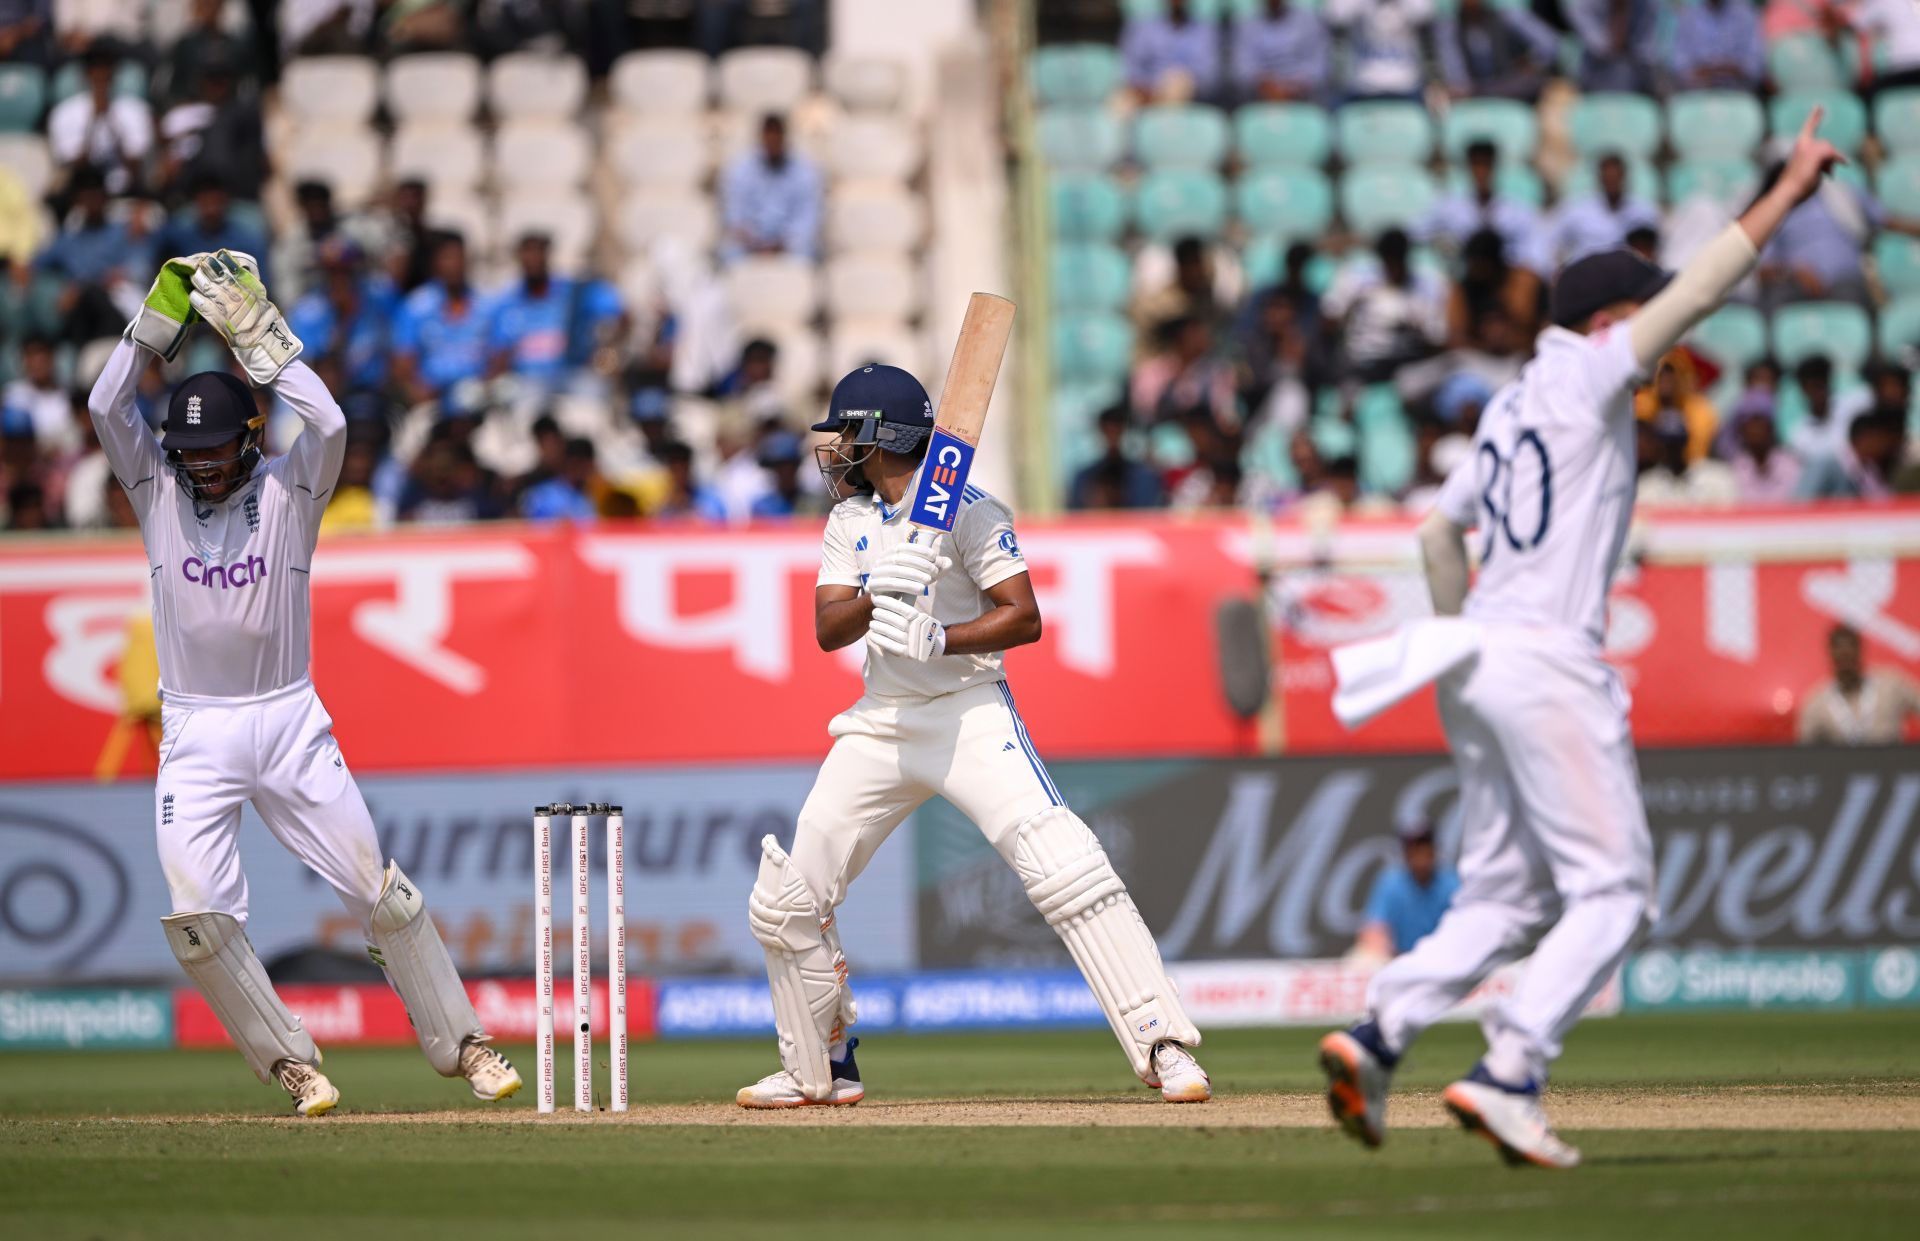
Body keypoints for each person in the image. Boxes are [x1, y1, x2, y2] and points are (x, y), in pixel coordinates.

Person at [1319, 109, 1847, 1168]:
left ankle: (1379, 1030)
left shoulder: (1510, 402)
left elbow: (1435, 530)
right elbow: (1697, 292)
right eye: (1646, 326)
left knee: (1505, 892)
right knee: (1612, 890)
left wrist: (1466, 632)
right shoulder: (1589, 370)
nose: (1665, 352)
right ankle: (1511, 1068)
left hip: (1473, 661)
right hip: (1548, 660)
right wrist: (1786, 188)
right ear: (1612, 320)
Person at [87, 250, 520, 1115]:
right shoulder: (155, 490)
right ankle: (293, 1063)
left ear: (247, 440)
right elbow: (105, 404)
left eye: (216, 451)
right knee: (197, 917)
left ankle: (465, 1044)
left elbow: (326, 427)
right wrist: (155, 323)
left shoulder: (292, 491)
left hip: (289, 721)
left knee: (379, 893)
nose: (200, 467)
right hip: (197, 732)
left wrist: (265, 344)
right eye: (189, 452)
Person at [736, 365, 1210, 1109]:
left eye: (847, 435)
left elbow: (1023, 615)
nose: (836, 452)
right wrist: (877, 588)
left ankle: (1164, 1043)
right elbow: (829, 628)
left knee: (1064, 863)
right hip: (882, 719)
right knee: (789, 895)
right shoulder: (848, 523)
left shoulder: (970, 508)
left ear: (880, 436)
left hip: (967, 709)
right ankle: (820, 1069)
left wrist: (941, 636)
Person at [485, 232, 625, 390]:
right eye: (527, 253)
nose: (532, 259)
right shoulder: (507, 302)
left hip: (573, 376)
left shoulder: (574, 292)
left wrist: (606, 349)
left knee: (593, 392)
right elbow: (500, 352)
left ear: (547, 254)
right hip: (527, 383)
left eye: (538, 252)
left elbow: (620, 314)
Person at [1421, 141, 1550, 275]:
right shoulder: (1449, 207)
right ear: (1468, 168)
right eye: (1476, 165)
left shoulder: (1516, 211)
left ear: (1494, 168)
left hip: (1504, 276)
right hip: (1465, 275)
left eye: (1486, 165)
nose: (1481, 172)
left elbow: (1536, 248)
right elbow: (1418, 230)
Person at [391, 231, 489, 404]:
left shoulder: (484, 303)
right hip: (432, 401)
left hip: (476, 399)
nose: (455, 264)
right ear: (435, 263)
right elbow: (402, 362)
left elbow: (498, 355)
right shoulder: (416, 306)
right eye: (448, 258)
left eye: (460, 258)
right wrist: (416, 391)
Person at [46, 40, 152, 196]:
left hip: (124, 189)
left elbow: (136, 166)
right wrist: (93, 121)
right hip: (83, 192)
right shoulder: (65, 112)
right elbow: (75, 166)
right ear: (86, 73)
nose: (101, 74)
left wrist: (111, 121)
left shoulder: (135, 110)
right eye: (95, 69)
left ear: (114, 73)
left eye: (107, 68)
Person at [719, 114, 823, 264]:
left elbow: (807, 221)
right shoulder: (739, 170)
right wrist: (755, 244)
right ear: (761, 138)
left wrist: (781, 245)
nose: (772, 144)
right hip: (749, 246)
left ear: (784, 139)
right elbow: (734, 217)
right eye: (768, 139)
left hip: (789, 247)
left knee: (805, 256)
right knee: (729, 255)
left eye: (776, 139)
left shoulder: (805, 172)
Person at [1353, 820, 1461, 959]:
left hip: (1443, 958)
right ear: (1405, 853)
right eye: (1414, 850)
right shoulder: (1391, 883)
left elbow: (1465, 928)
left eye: (1424, 847)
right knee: (1365, 957)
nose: (1420, 856)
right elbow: (1374, 929)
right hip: (1398, 959)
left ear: (1434, 850)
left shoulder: (1450, 883)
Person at [1798, 623, 1920, 744]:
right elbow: (1805, 753)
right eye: (1841, 659)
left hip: (1893, 760)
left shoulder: (1891, 685)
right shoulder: (1817, 703)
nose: (1846, 665)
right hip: (1841, 762)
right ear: (1831, 656)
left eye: (1850, 657)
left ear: (1859, 652)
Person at [1545, 154, 1663, 268]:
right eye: (1608, 178)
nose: (1612, 183)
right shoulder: (1577, 210)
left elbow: (1656, 253)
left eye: (1615, 178)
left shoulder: (1644, 211)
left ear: (1624, 177)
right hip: (1586, 277)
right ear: (1600, 178)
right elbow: (1551, 243)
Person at [1436, 0, 1559, 101]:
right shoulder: (1452, 27)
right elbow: (1457, 77)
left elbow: (1549, 44)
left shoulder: (1505, 16)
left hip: (1507, 85)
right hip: (1475, 91)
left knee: (1532, 82)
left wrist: (1533, 63)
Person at [1119, 0, 1221, 102]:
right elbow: (1132, 68)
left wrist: (1180, 80)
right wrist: (1150, 88)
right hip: (1148, 90)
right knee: (1121, 101)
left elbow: (1208, 73)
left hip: (1188, 91)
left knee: (1176, 85)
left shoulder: (1203, 31)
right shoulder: (1145, 28)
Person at [1230, 0, 1329, 102]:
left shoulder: (1309, 22)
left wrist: (1290, 89)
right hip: (1259, 98)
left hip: (1303, 98)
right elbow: (1243, 70)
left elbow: (1318, 69)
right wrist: (1268, 87)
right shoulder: (1247, 24)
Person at [1669, 0, 1765, 91]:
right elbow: (1680, 67)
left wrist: (1717, 70)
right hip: (1696, 94)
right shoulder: (1689, 19)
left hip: (1738, 94)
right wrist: (1720, 70)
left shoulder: (1745, 16)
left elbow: (1754, 67)